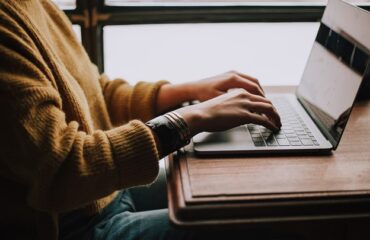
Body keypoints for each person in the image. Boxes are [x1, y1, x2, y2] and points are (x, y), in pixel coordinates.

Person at [0, 0, 281, 239]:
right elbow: (64, 168)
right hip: (73, 225)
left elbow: (94, 93)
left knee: (250, 192)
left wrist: (186, 91)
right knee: (264, 224)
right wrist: (189, 119)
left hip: (105, 193)